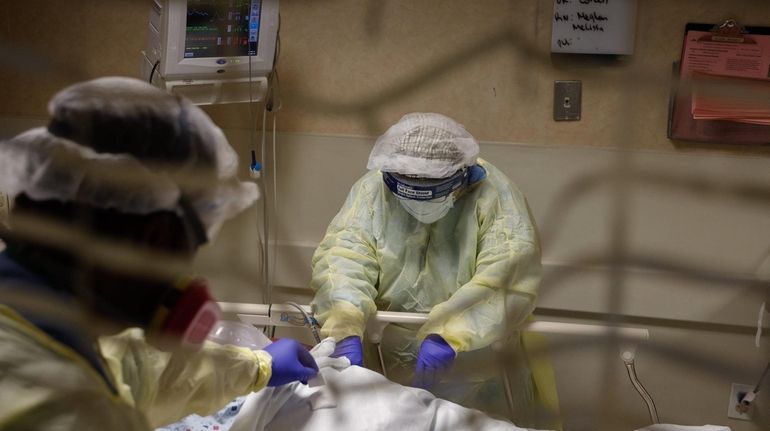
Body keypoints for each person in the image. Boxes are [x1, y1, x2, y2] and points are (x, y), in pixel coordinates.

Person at [0, 77, 318, 430]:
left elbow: (142, 371)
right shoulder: (66, 411)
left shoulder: (48, 319)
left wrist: (258, 367)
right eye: (188, 247)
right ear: (155, 238)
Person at [310, 112, 559, 427]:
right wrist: (344, 322)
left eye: (433, 190)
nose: (419, 201)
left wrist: (452, 333)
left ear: (463, 177)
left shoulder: (494, 195)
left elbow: (508, 276)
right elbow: (344, 256)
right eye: (409, 190)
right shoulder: (373, 191)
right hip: (386, 354)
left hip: (475, 358)